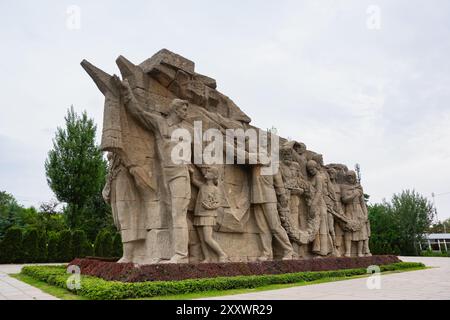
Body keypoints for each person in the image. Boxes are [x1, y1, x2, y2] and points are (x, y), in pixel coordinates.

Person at [123, 80, 192, 263]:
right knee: (171, 215)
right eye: (184, 109)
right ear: (176, 110)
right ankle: (180, 250)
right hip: (164, 176)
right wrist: (127, 93)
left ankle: (181, 255)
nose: (187, 113)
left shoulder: (184, 131)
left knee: (178, 215)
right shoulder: (160, 123)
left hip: (180, 175)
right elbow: (138, 113)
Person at [190, 166, 229, 263]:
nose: (206, 172)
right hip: (199, 214)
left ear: (214, 176)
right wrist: (190, 172)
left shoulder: (216, 189)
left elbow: (218, 203)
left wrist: (209, 207)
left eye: (209, 171)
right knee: (202, 239)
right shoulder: (202, 186)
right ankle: (207, 257)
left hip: (208, 214)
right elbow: (193, 180)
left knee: (207, 238)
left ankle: (222, 254)